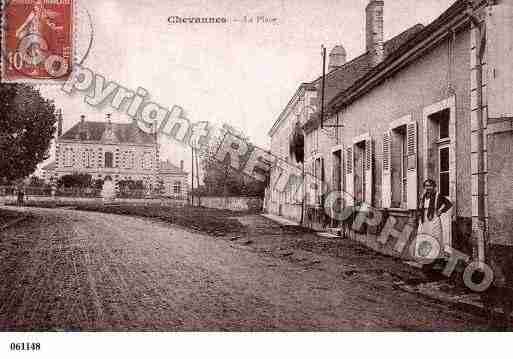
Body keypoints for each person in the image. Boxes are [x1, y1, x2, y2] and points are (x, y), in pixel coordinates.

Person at [415, 179, 453, 260]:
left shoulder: (438, 195)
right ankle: (425, 256)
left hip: (433, 219)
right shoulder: (423, 196)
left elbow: (449, 204)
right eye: (426, 186)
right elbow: (420, 208)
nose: (428, 188)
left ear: (433, 186)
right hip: (424, 219)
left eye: (430, 186)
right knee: (424, 236)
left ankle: (435, 256)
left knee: (434, 237)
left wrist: (441, 211)